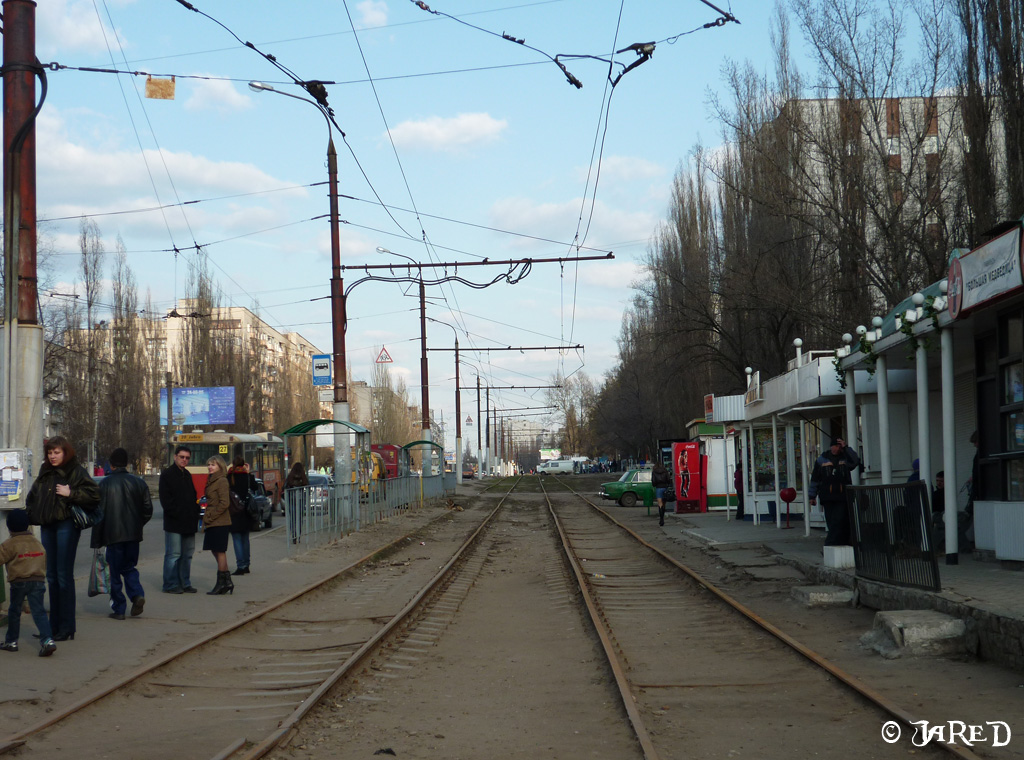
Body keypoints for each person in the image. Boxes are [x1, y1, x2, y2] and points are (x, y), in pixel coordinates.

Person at [25, 436, 100, 641]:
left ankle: (67, 627)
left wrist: (71, 493)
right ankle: (52, 626)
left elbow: (95, 495)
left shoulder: (75, 470)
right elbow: (34, 494)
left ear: (65, 452)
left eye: (56, 452)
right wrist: (31, 511)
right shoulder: (45, 470)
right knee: (51, 576)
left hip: (67, 524)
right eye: (50, 453)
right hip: (48, 525)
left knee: (63, 575)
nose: (53, 456)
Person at [93, 448, 153, 620]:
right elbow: (148, 509)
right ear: (126, 464)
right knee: (129, 567)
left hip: (112, 536)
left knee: (114, 571)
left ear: (111, 465)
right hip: (133, 536)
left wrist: (97, 541)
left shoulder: (104, 484)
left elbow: (98, 515)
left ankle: (119, 608)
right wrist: (136, 525)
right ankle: (136, 595)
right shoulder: (139, 483)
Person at [0, 509, 56, 656]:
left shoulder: (9, 544)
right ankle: (47, 640)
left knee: (14, 611)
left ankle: (11, 641)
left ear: (9, 527)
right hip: (38, 581)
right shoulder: (36, 542)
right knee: (39, 612)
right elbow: (44, 558)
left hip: (18, 581)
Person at [159, 445, 199, 594]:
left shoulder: (187, 474)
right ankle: (170, 584)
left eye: (187, 458)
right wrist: (178, 514)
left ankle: (185, 583)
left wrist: (194, 512)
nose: (184, 460)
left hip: (189, 523)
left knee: (187, 555)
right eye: (182, 457)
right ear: (175, 456)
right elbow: (166, 501)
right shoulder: (167, 475)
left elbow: (193, 497)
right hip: (174, 523)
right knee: (173, 555)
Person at [808, 437, 861, 546]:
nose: (838, 448)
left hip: (842, 496)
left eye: (839, 446)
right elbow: (815, 479)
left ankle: (830, 544)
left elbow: (855, 461)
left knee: (839, 519)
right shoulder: (822, 460)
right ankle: (836, 543)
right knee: (831, 522)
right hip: (827, 496)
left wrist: (846, 448)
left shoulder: (845, 459)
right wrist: (812, 496)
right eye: (836, 445)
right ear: (831, 446)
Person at [202, 455, 234, 595]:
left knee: (220, 551)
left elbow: (224, 503)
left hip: (219, 521)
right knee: (215, 550)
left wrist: (211, 516)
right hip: (213, 521)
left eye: (213, 465)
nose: (210, 467)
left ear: (220, 466)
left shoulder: (221, 481)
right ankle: (227, 581)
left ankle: (222, 583)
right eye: (209, 464)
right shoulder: (212, 480)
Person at [227, 455, 257, 576]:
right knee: (245, 539)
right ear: (244, 464)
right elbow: (255, 487)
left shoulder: (229, 476)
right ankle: (246, 564)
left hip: (234, 511)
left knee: (236, 538)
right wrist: (249, 473)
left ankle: (240, 565)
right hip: (246, 511)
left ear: (233, 464)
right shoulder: (246, 476)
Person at [285, 461, 309, 544]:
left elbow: (285, 486)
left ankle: (294, 535)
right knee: (299, 518)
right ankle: (298, 535)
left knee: (292, 518)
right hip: (300, 499)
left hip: (292, 499)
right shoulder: (303, 477)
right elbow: (307, 484)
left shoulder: (290, 477)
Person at [651, 461, 671, 527]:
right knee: (664, 504)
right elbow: (668, 479)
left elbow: (653, 481)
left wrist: (655, 485)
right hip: (665, 488)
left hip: (658, 488)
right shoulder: (665, 471)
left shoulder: (654, 472)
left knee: (660, 504)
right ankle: (662, 518)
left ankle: (661, 519)